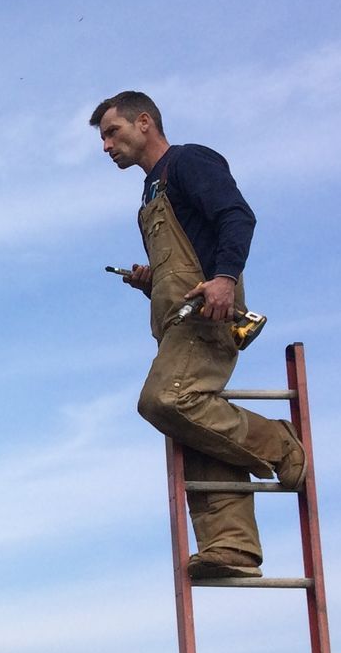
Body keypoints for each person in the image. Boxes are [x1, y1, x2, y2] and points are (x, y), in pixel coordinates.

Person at [93, 91, 305, 579]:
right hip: (176, 321)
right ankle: (231, 546)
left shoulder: (189, 161)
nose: (106, 147)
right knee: (198, 430)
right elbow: (183, 262)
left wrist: (226, 278)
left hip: (207, 316)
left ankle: (278, 443)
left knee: (164, 401)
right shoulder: (148, 196)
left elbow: (236, 215)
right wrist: (153, 284)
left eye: (112, 132)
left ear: (144, 122)